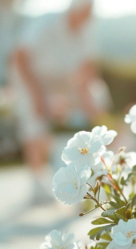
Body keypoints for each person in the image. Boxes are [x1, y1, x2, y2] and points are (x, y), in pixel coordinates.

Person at [10, 0, 110, 204]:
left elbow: (88, 69)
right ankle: (37, 182)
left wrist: (89, 105)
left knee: (96, 98)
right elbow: (20, 57)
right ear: (75, 9)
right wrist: (38, 97)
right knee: (34, 121)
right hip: (32, 77)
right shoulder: (46, 23)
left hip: (62, 81)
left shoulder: (84, 32)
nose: (88, 16)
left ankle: (83, 174)